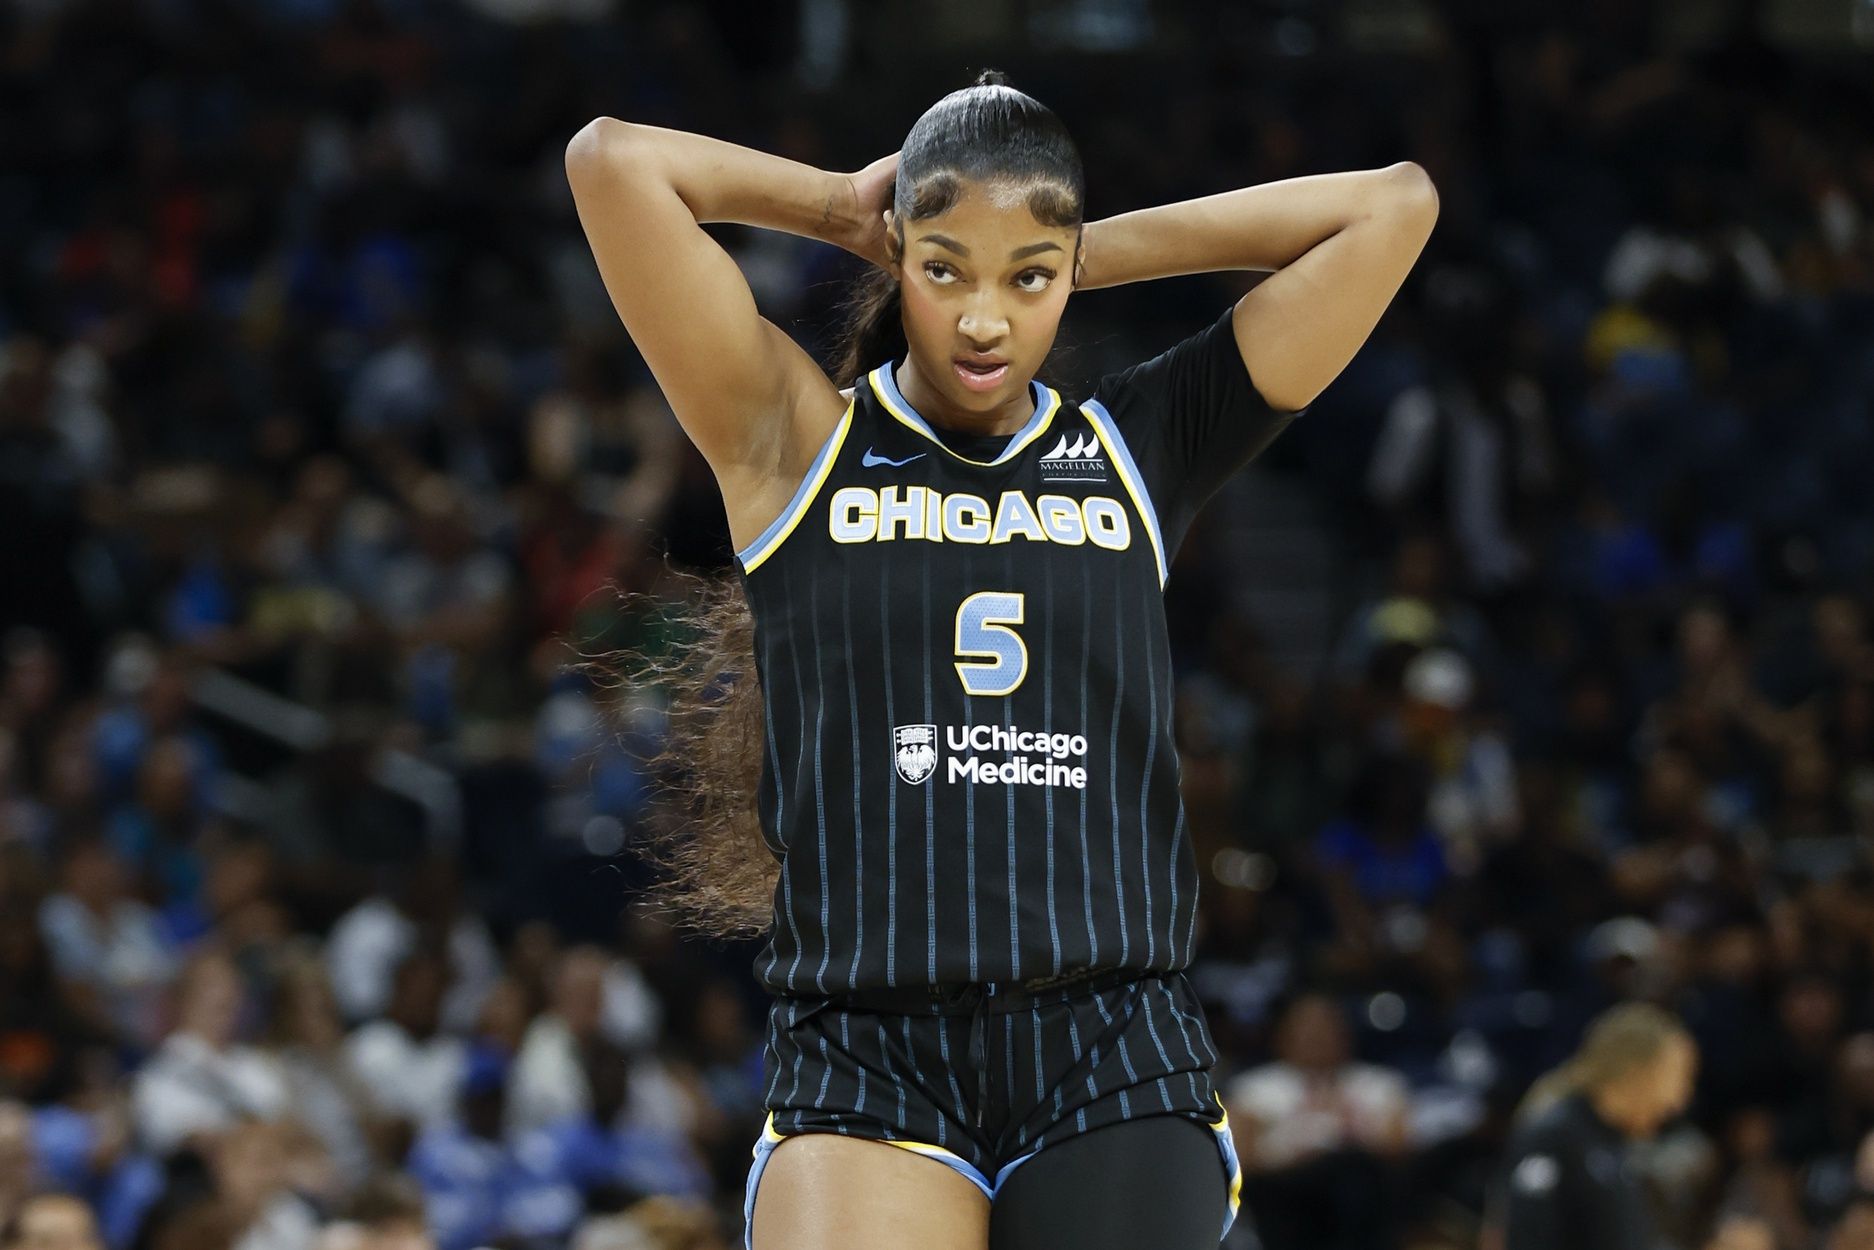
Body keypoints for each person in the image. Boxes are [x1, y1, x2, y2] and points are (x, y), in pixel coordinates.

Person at [565, 69, 1437, 1250]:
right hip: (866, 1048)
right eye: (944, 270)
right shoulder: (794, 439)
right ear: (900, 261)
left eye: (1025, 280)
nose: (984, 318)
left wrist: (1082, 248)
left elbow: (1392, 206)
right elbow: (612, 162)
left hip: (1109, 1045)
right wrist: (840, 207)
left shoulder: (1138, 448)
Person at [1495, 1002, 1769, 1250]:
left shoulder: (1617, 1141)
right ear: (1637, 1071)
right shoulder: (1555, 1135)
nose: (1679, 1100)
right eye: (1678, 1077)